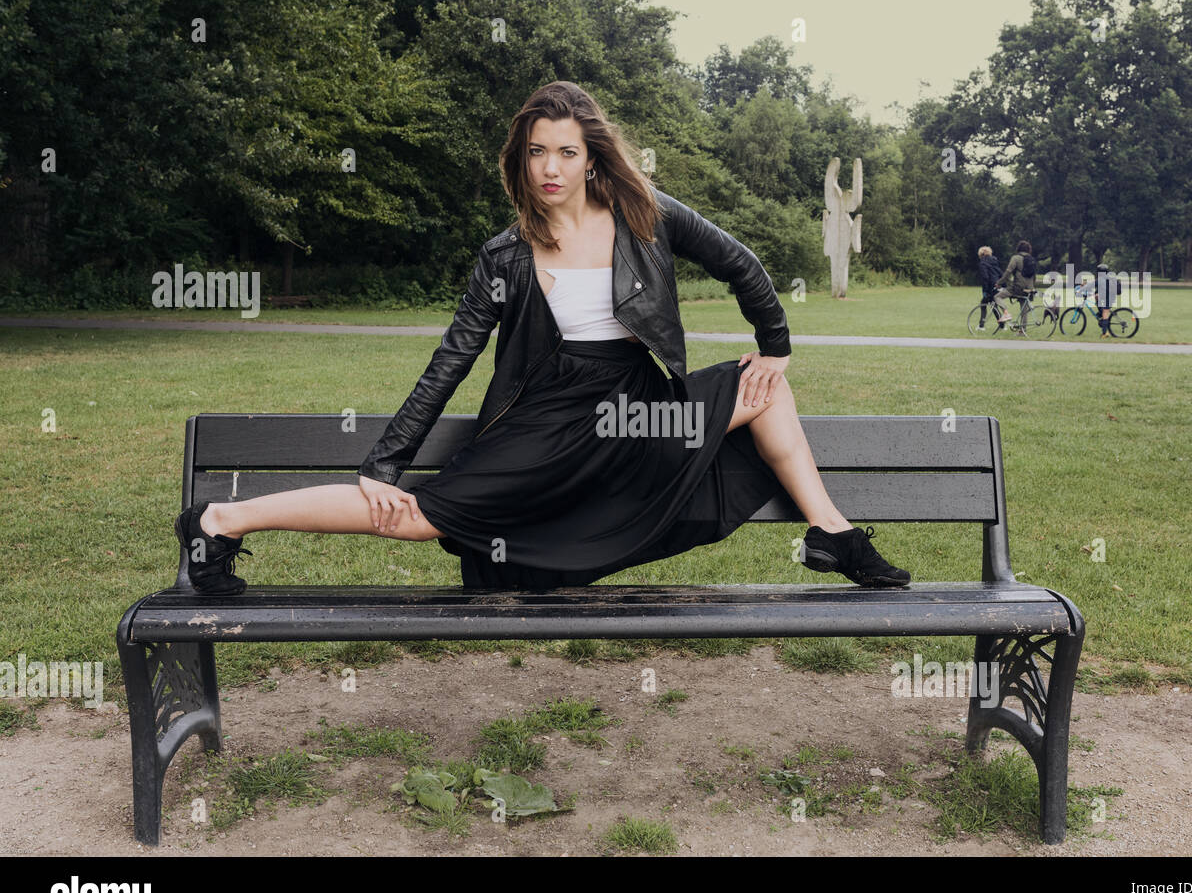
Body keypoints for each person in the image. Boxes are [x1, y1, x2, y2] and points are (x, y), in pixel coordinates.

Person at [171, 80, 911, 594]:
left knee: (766, 389)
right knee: (421, 519)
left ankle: (831, 534)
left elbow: (741, 263)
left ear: (591, 155)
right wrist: (385, 460)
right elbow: (451, 359)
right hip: (552, 422)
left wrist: (774, 345)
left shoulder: (644, 214)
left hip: (639, 410)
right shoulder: (506, 254)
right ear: (520, 159)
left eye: (564, 152)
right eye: (535, 153)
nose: (549, 168)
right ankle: (219, 521)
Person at [993, 239, 1036, 329]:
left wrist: (999, 282)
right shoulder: (1031, 259)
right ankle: (1022, 330)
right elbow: (1033, 276)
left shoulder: (1016, 258)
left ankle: (1006, 313)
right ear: (1028, 249)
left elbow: (1008, 272)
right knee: (1024, 308)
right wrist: (1032, 287)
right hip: (1029, 287)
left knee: (997, 297)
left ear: (1018, 248)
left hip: (1018, 287)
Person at [975, 245, 1001, 330]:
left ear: (981, 254)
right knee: (994, 306)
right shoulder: (995, 261)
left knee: (983, 305)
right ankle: (1002, 325)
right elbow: (1000, 273)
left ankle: (981, 326)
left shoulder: (982, 263)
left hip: (990, 287)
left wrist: (985, 291)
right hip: (997, 286)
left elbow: (985, 278)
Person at [1095, 262, 1122, 337]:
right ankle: (1101, 314)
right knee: (1096, 296)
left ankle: (1105, 333)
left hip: (1109, 298)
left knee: (1105, 313)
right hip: (1108, 297)